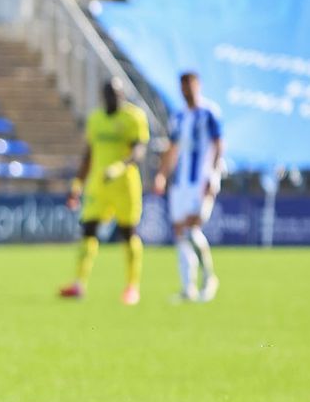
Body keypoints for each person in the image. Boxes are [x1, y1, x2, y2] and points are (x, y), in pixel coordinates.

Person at [60, 76, 150, 304]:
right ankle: (79, 284)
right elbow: (89, 154)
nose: (113, 98)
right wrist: (77, 184)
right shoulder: (96, 119)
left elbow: (139, 151)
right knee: (88, 230)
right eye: (110, 94)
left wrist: (120, 166)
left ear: (123, 95)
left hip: (125, 186)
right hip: (98, 186)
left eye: (117, 94)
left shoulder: (133, 117)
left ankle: (132, 287)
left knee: (128, 232)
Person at [152, 71, 223, 302]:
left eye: (190, 86)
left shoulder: (209, 112)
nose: (186, 91)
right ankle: (188, 287)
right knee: (180, 233)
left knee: (192, 228)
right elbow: (172, 149)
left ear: (198, 86)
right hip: (180, 183)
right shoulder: (179, 117)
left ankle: (209, 278)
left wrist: (214, 174)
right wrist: (162, 175)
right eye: (183, 87)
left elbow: (219, 145)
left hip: (201, 180)